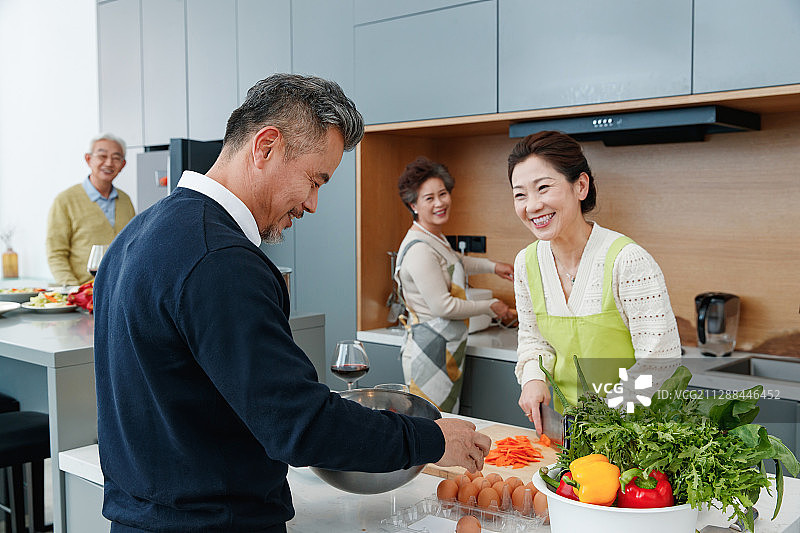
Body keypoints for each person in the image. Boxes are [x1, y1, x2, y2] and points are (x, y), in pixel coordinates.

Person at [93, 74, 491, 533]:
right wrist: (430, 439)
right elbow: (299, 424)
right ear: (266, 147)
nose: (314, 204)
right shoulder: (222, 260)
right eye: (315, 179)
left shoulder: (136, 234)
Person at [509, 131, 681, 433]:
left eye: (543, 188)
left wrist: (605, 419)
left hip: (638, 435)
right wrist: (534, 377)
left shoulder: (627, 260)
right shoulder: (526, 263)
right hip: (568, 433)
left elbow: (660, 361)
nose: (532, 205)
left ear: (581, 186)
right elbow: (534, 340)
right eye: (520, 194)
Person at [395, 156, 516, 413]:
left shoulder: (433, 237)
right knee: (435, 433)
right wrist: (491, 305)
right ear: (413, 204)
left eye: (443, 194)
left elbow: (455, 261)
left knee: (447, 431)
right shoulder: (419, 249)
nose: (440, 203)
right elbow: (443, 306)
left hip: (445, 351)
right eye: (429, 198)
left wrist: (494, 266)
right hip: (428, 357)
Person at [46, 133, 135, 285]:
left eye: (116, 157)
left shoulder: (125, 200)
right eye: (102, 156)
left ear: (123, 164)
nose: (109, 163)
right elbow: (56, 253)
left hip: (118, 292)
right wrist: (73, 289)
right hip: (82, 292)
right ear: (88, 159)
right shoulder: (65, 200)